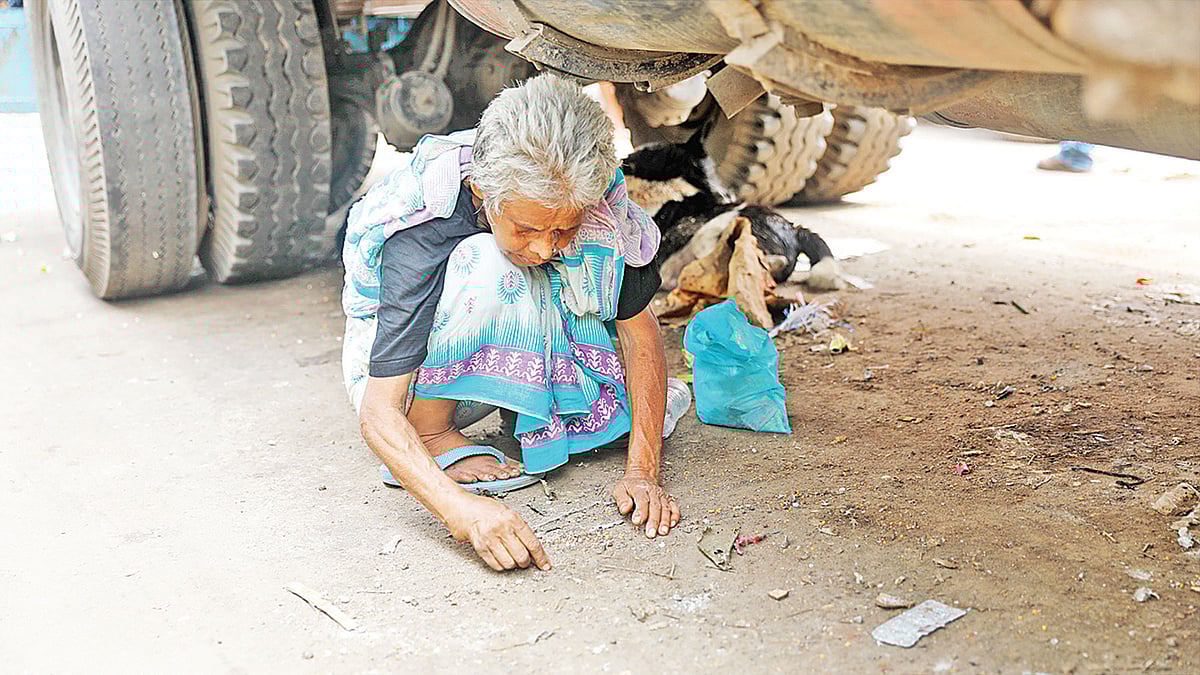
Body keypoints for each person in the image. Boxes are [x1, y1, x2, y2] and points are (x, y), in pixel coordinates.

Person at [341, 74, 680, 572]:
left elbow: (639, 331)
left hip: (509, 340)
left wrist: (643, 473)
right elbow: (378, 413)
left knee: (571, 260)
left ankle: (529, 409)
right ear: (483, 191)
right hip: (406, 379)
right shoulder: (422, 222)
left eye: (562, 226)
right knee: (493, 263)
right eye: (526, 228)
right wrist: (463, 514)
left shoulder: (595, 198)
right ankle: (434, 433)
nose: (546, 246)